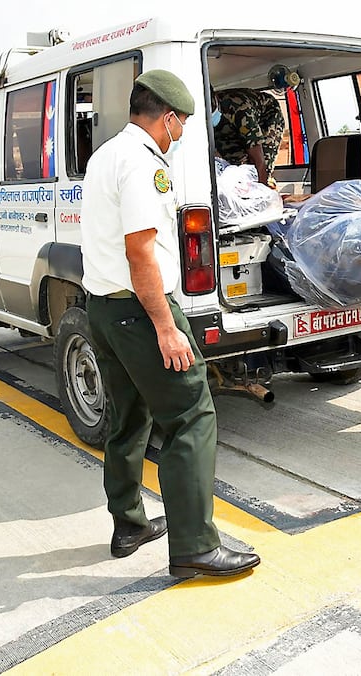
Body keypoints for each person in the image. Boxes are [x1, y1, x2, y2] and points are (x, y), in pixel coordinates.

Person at [80, 69, 260, 578]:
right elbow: (141, 252)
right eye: (181, 125)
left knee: (129, 416)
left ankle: (130, 523)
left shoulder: (107, 154)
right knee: (191, 415)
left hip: (105, 307)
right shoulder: (142, 164)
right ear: (169, 118)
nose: (181, 135)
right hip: (141, 310)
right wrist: (165, 326)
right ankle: (195, 546)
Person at [211, 88, 285, 187]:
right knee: (234, 165)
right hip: (227, 123)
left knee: (262, 166)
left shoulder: (240, 109)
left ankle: (264, 190)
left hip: (267, 116)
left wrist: (261, 193)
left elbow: (258, 158)